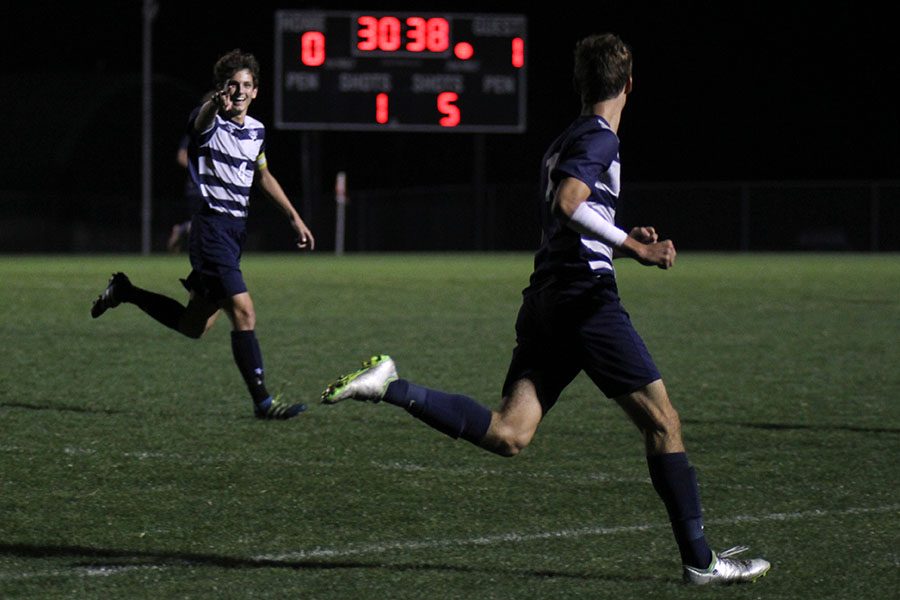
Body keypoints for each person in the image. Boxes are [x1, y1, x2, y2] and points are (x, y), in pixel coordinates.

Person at [321, 34, 770, 584]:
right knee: (664, 424)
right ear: (629, 85)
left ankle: (391, 386)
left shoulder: (563, 140)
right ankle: (701, 562)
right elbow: (567, 205)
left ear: (580, 85)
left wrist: (619, 234)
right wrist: (636, 248)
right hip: (585, 302)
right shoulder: (601, 138)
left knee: (511, 433)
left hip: (547, 299)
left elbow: (572, 219)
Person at [91, 49, 315, 420]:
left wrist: (294, 217)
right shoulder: (210, 121)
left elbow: (263, 176)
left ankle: (125, 291)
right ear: (221, 88)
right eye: (232, 85)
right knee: (245, 311)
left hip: (234, 233)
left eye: (246, 85)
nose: (239, 91)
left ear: (256, 90)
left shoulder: (256, 130)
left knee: (194, 325)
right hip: (210, 229)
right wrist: (215, 102)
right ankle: (263, 402)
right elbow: (200, 122)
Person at [166, 133, 204, 252]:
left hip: (213, 187)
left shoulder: (220, 135)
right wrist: (200, 169)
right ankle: (182, 230)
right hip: (196, 188)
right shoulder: (193, 136)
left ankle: (181, 229)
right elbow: (181, 156)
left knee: (208, 222)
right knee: (205, 221)